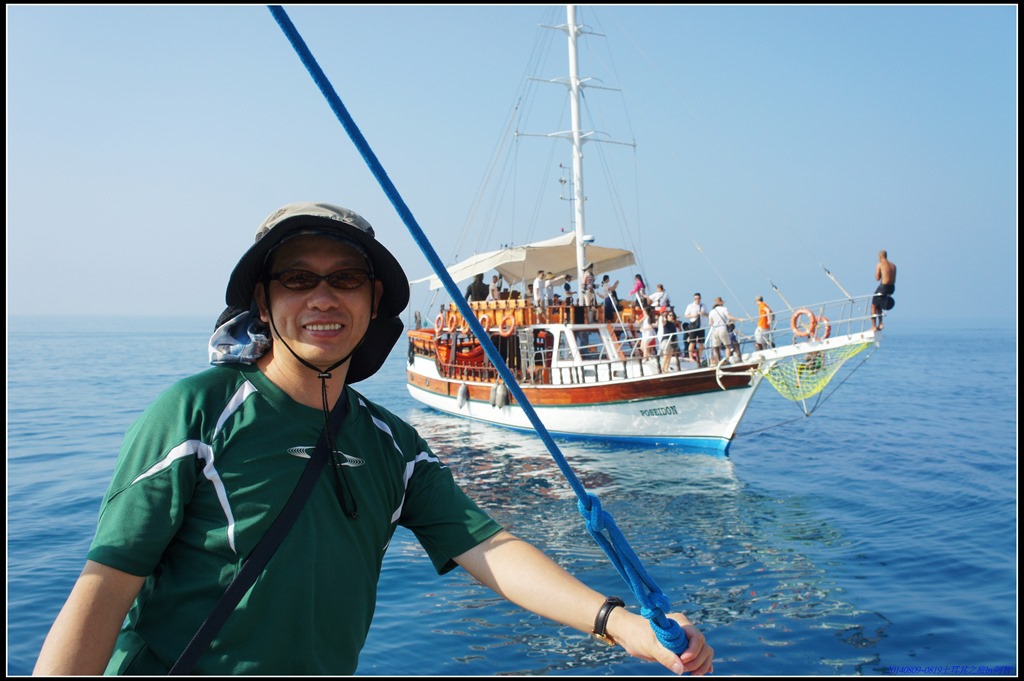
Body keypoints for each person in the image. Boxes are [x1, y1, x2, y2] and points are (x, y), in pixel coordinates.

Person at [32, 202, 714, 676]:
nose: (323, 297)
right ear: (263, 302)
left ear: (372, 302)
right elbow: (104, 589)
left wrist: (620, 624)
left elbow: (489, 548)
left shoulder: (393, 443)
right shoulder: (197, 413)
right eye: (297, 278)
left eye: (347, 279)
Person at [708, 297, 742, 366]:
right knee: (728, 346)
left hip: (715, 330)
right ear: (721, 303)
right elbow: (729, 317)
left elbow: (710, 323)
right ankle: (727, 361)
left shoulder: (711, 311)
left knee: (715, 348)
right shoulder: (724, 309)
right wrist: (738, 319)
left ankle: (718, 362)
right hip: (722, 329)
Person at [871, 249, 896, 331]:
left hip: (884, 287)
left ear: (880, 256)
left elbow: (877, 278)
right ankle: (880, 324)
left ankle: (874, 326)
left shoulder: (880, 264)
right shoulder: (893, 265)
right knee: (878, 304)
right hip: (892, 288)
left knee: (873, 305)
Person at [682, 293, 708, 366]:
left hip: (701, 326)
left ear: (700, 298)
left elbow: (707, 314)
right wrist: (693, 315)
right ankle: (691, 357)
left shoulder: (703, 305)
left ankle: (699, 357)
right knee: (692, 342)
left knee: (701, 344)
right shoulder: (690, 306)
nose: (697, 300)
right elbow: (686, 315)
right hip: (693, 326)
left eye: (698, 298)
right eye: (696, 299)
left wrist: (703, 314)